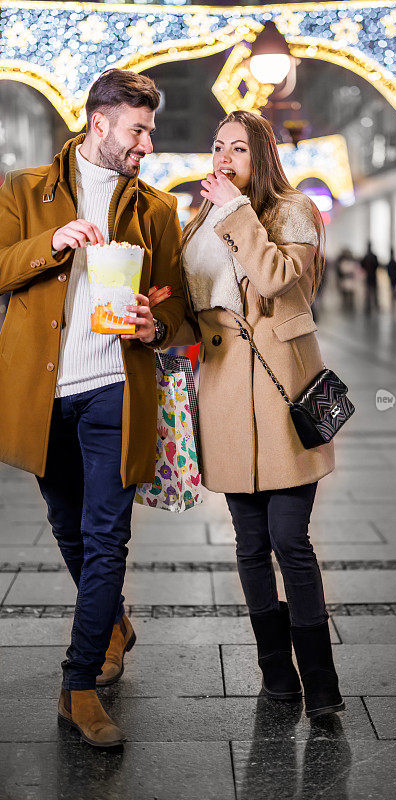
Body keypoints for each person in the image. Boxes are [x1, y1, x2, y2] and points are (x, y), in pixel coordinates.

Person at [0, 69, 186, 747]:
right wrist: (49, 246)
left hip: (116, 387)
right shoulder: (25, 191)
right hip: (44, 393)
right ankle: (112, 619)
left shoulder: (156, 210)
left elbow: (183, 314)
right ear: (100, 123)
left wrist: (155, 328)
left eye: (152, 130)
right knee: (70, 527)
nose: (148, 143)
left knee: (107, 535)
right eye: (138, 129)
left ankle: (78, 687)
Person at [151, 110, 344, 718]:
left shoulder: (291, 211)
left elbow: (282, 281)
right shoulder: (196, 224)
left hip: (285, 390)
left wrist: (237, 212)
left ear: (261, 156)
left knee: (291, 539)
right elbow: (191, 315)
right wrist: (156, 321)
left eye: (238, 148)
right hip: (224, 391)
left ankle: (321, 684)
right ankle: (276, 676)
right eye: (217, 147)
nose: (224, 158)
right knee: (249, 543)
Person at [361, 242, 380, 314]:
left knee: (369, 292)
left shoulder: (366, 256)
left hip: (369, 276)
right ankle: (374, 305)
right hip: (372, 276)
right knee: (373, 292)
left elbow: (362, 265)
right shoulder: (373, 256)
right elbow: (377, 265)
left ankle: (369, 306)